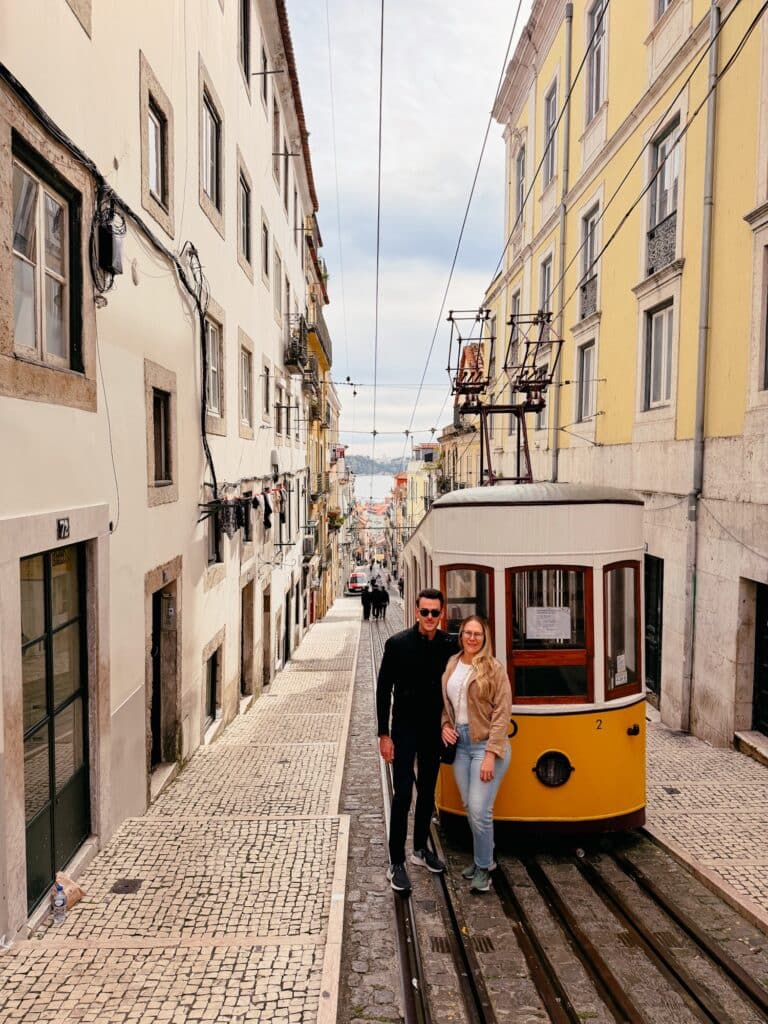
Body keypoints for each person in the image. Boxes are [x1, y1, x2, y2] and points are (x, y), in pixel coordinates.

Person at [376, 588, 459, 892]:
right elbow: (383, 690)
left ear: (442, 614)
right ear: (416, 612)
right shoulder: (397, 645)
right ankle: (396, 862)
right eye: (424, 612)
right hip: (404, 729)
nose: (429, 617)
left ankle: (420, 850)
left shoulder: (450, 645)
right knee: (402, 796)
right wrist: (384, 734)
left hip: (432, 731)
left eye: (435, 613)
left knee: (426, 793)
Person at [441, 616, 512, 893]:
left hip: (485, 745)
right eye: (468, 633)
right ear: (461, 636)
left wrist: (491, 754)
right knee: (470, 807)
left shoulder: (494, 668)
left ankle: (483, 868)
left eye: (477, 634)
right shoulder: (452, 663)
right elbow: (446, 704)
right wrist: (445, 725)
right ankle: (486, 857)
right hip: (460, 744)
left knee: (480, 810)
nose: (472, 638)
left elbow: (502, 713)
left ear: (485, 638)